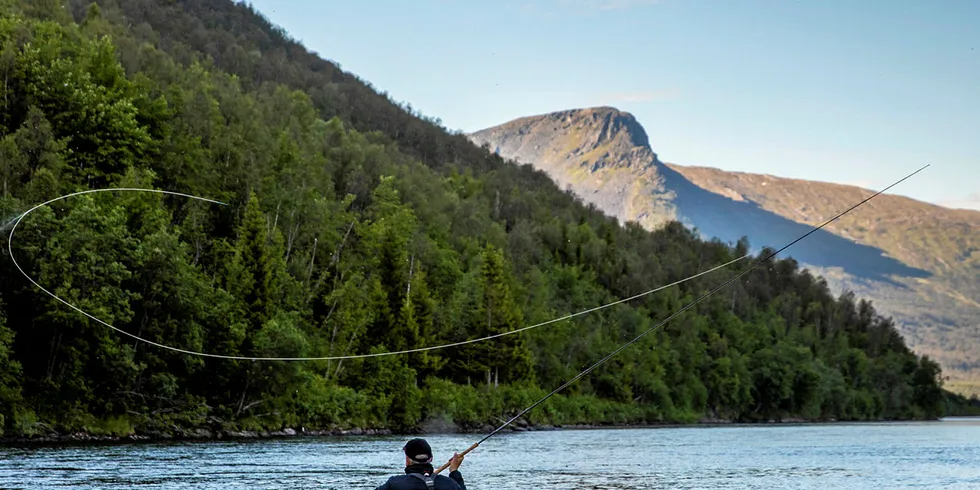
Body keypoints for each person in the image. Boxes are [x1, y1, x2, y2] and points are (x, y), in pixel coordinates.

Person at [373, 438, 467, 490]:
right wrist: (454, 471)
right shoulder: (449, 484)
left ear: (408, 460)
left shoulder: (394, 484)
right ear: (431, 458)